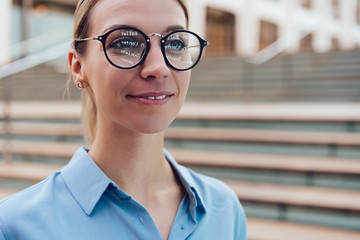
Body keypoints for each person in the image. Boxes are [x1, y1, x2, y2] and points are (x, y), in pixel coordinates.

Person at [0, 0, 247, 239]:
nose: (158, 68)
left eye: (176, 44)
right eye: (126, 43)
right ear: (78, 66)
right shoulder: (14, 226)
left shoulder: (224, 209)